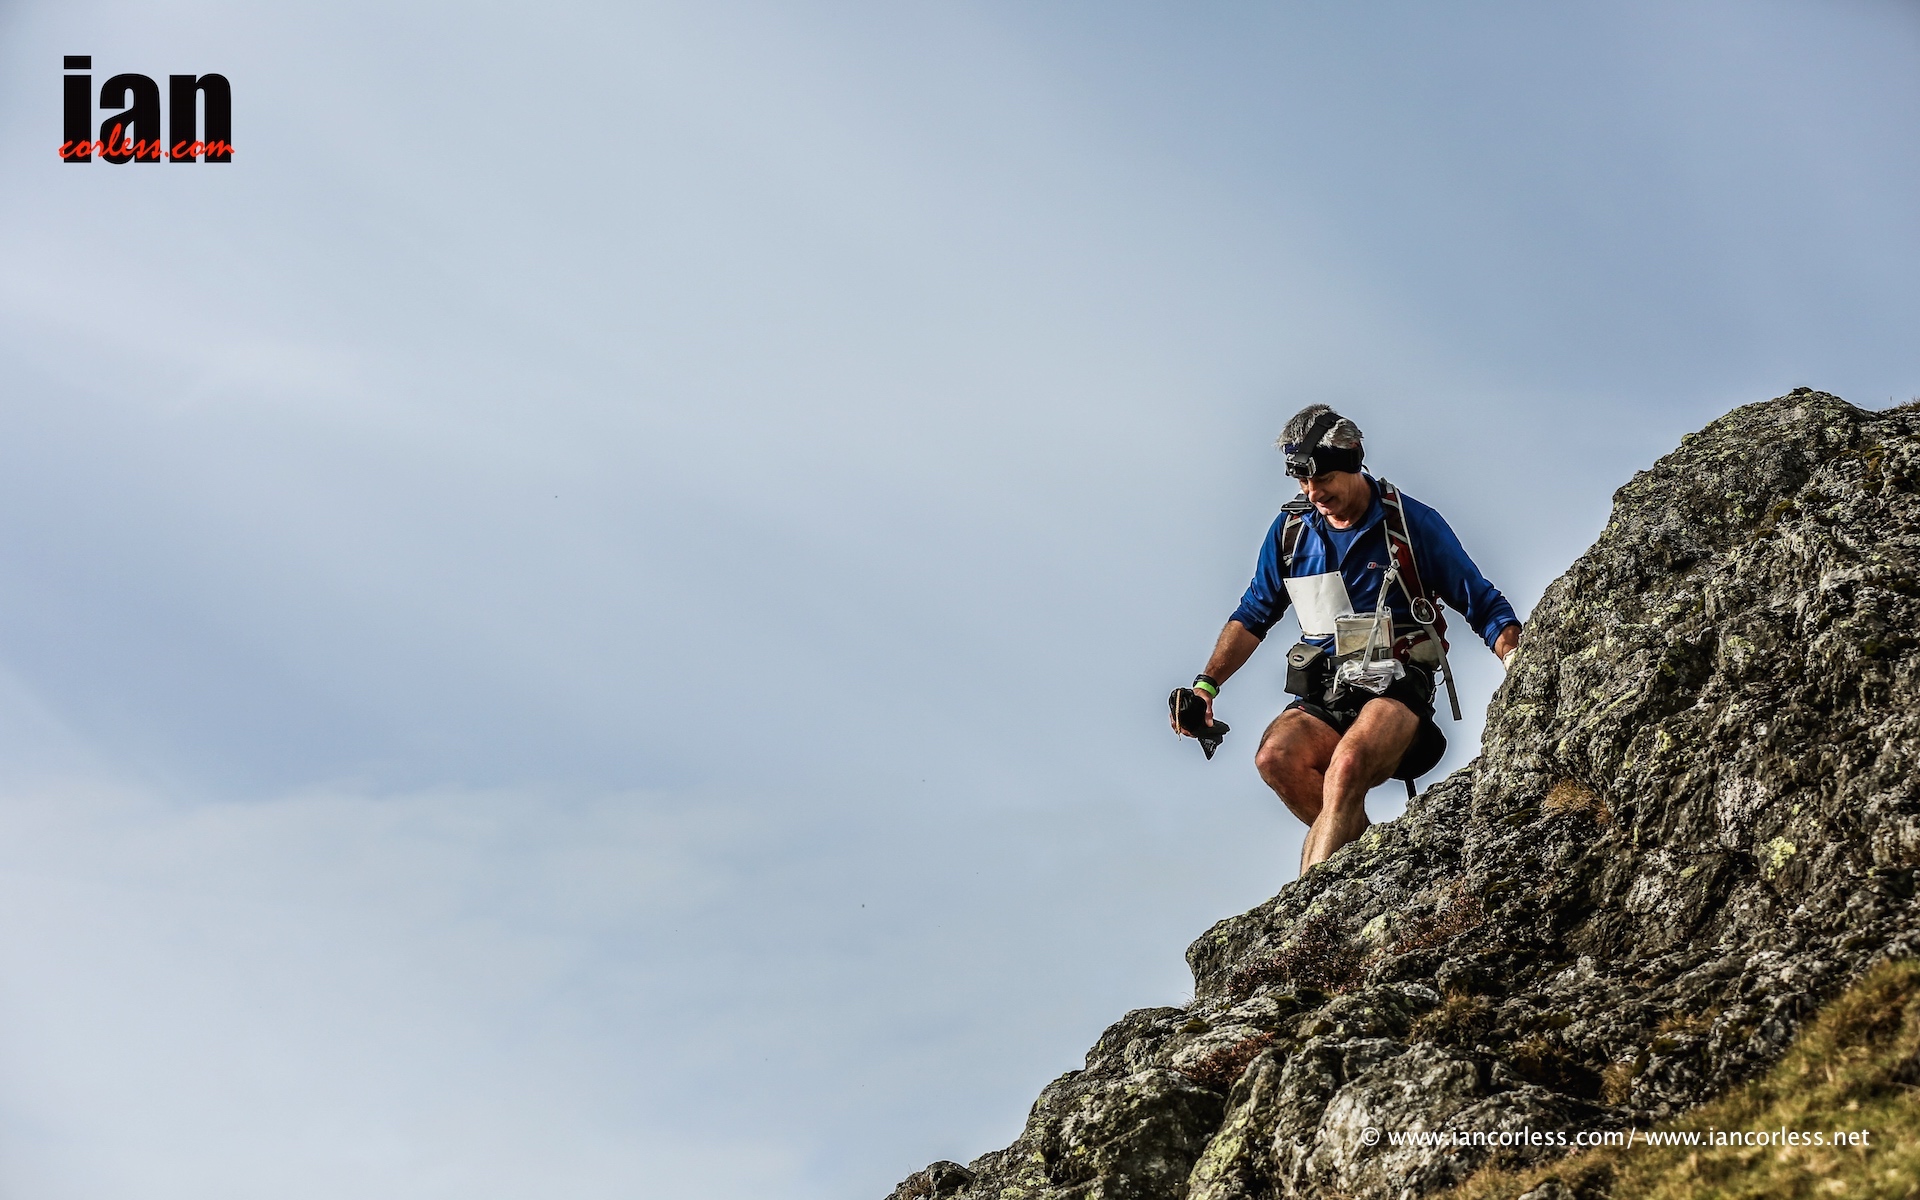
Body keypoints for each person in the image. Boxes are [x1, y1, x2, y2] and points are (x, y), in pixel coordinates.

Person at [1172, 405, 1521, 874]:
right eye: (1303, 482)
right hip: (1326, 691)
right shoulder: (1291, 533)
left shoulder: (1410, 525)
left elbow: (1481, 602)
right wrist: (1206, 686)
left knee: (1347, 764)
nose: (1314, 493)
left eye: (1323, 479)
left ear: (1355, 459)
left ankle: (1308, 907)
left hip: (1397, 688)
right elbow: (1254, 614)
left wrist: (1519, 664)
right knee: (1276, 758)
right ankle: (1374, 871)